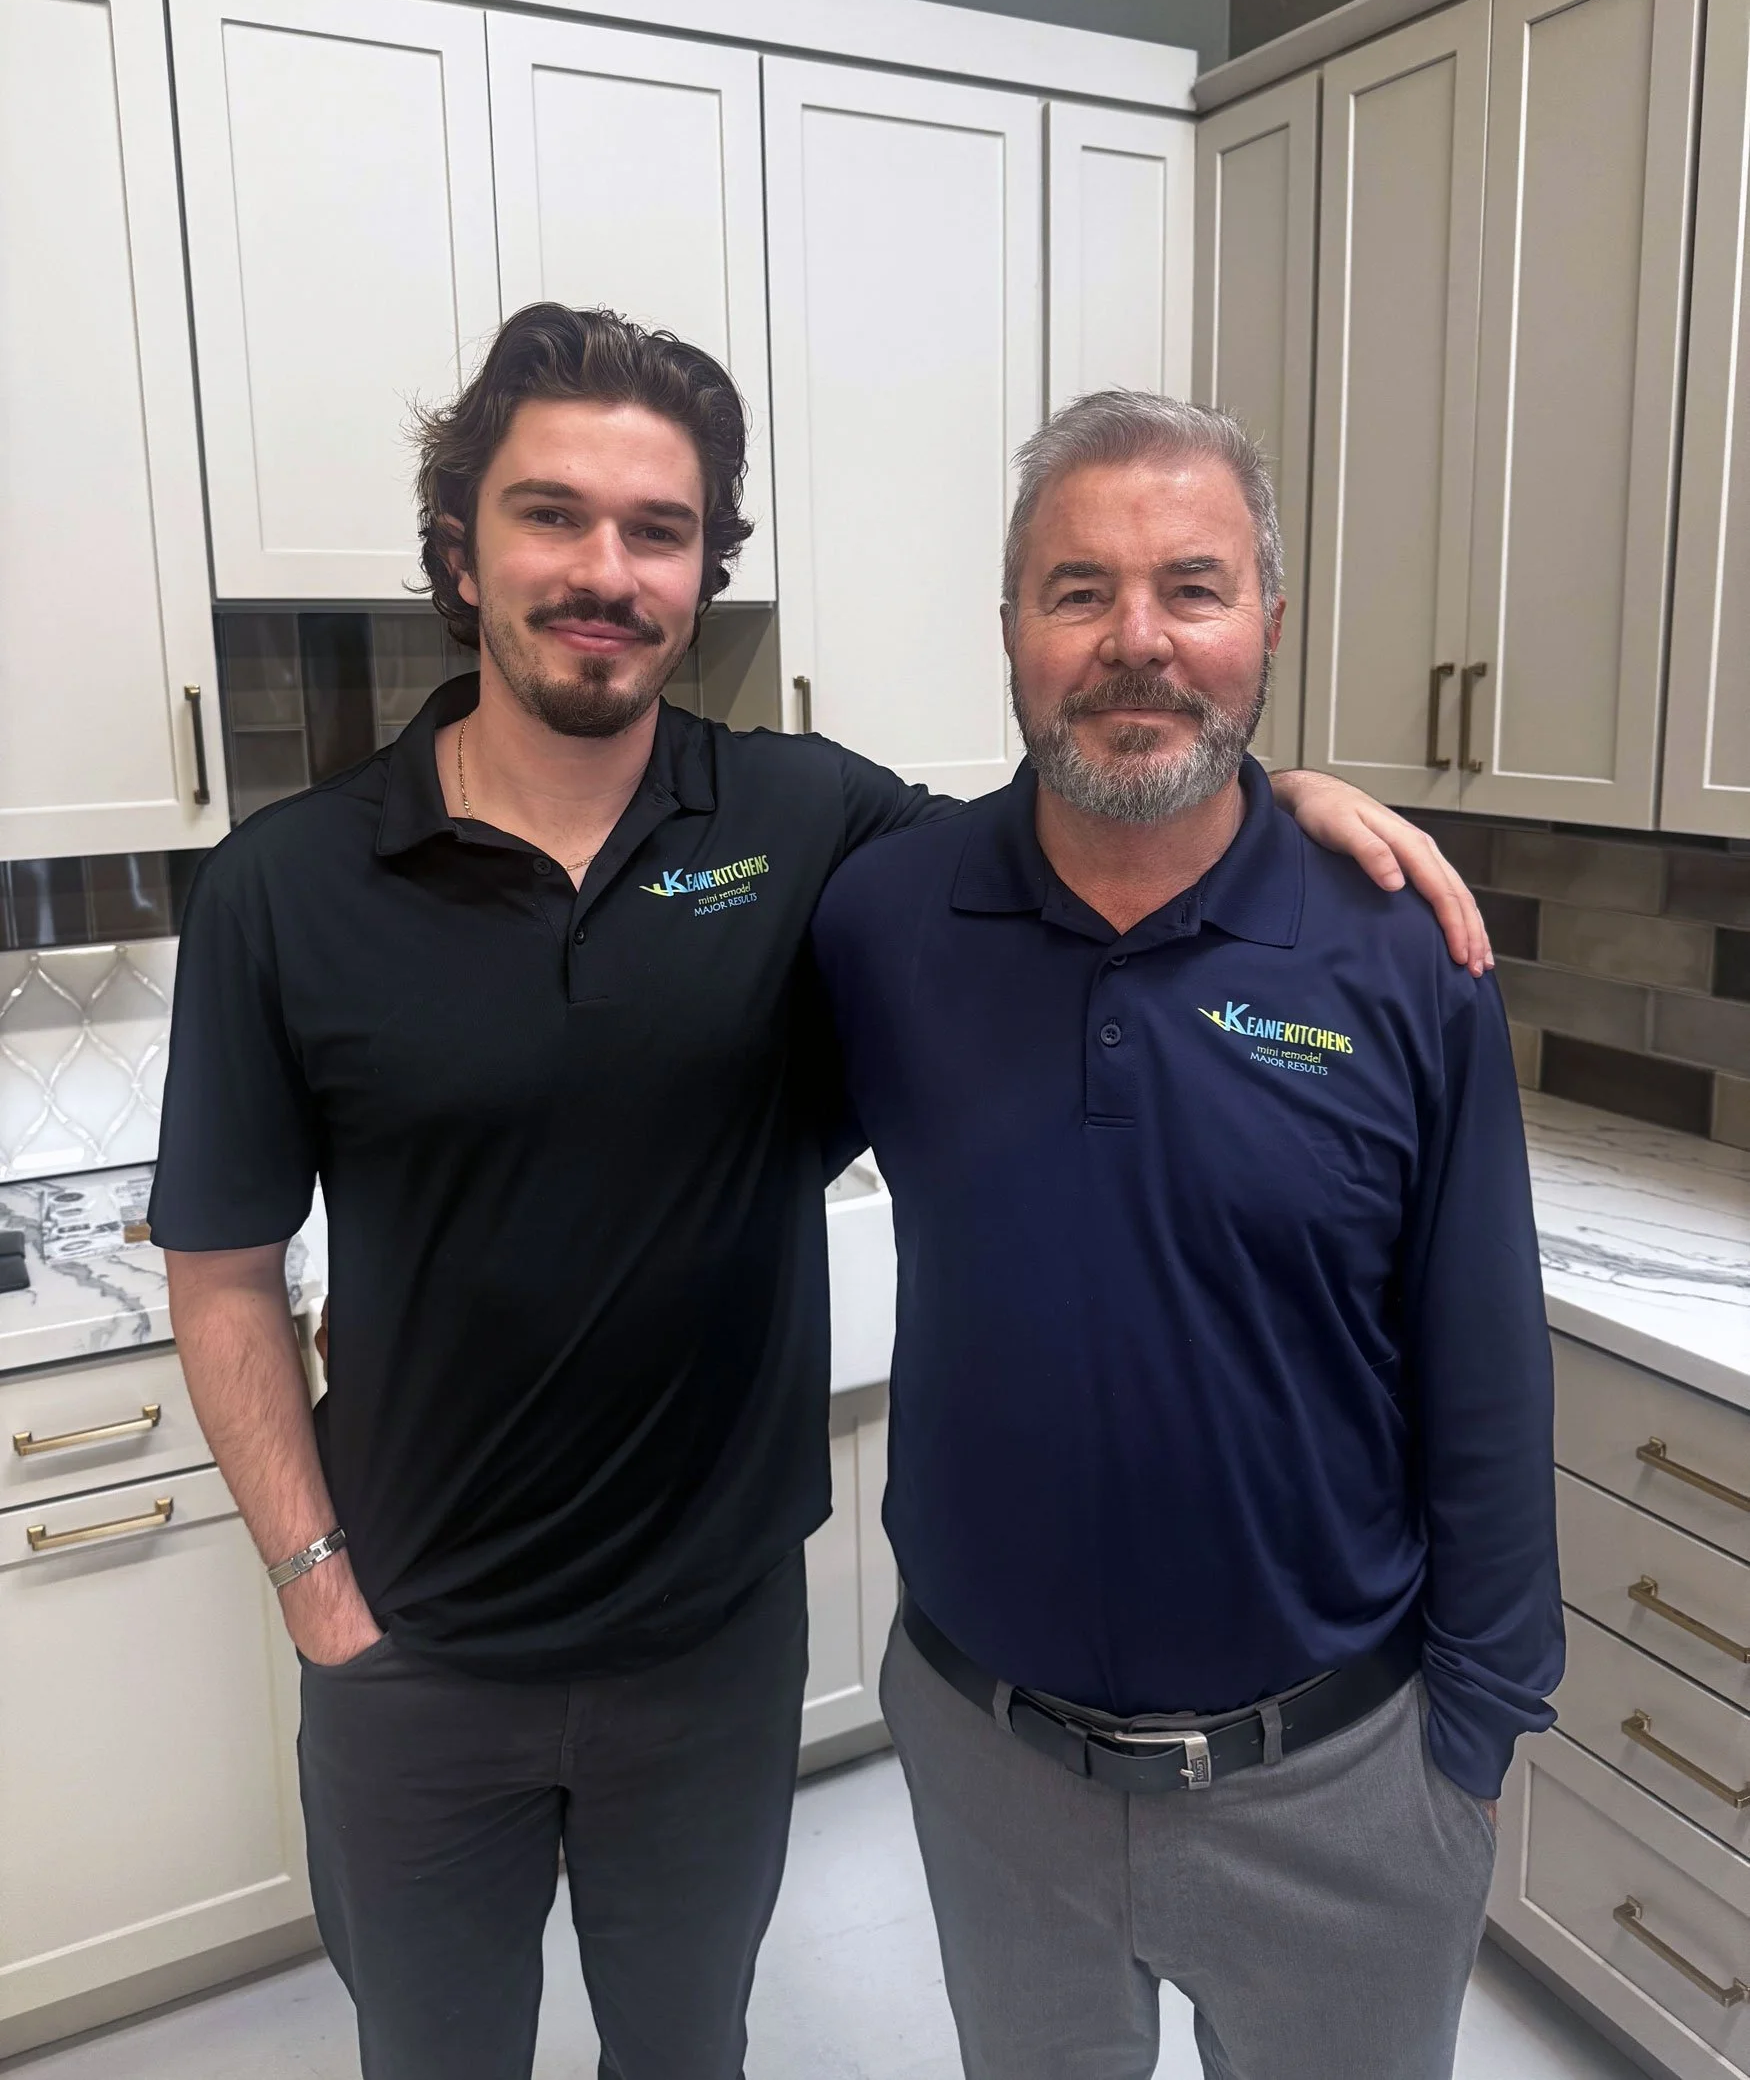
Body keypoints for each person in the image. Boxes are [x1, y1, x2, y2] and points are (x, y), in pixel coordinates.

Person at [149, 308, 1494, 2080]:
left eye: (659, 529)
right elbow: (226, 1267)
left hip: (708, 1651)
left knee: (688, 2048)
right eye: (552, 516)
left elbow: (1091, 822)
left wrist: (1280, 796)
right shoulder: (283, 887)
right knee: (433, 2053)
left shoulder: (806, 828)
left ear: (706, 567)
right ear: (459, 549)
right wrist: (319, 1590)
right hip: (412, 1648)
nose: (604, 571)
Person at [811, 389, 1562, 2080]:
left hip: (1340, 1784)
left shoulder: (1393, 952)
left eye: (1192, 589)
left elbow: (1485, 1374)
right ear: (1008, 629)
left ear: (1267, 627)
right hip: (989, 1766)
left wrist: (1474, 1750)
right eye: (1077, 590)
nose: (1134, 641)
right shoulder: (883, 919)